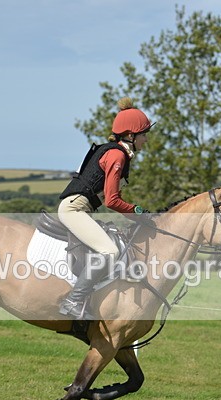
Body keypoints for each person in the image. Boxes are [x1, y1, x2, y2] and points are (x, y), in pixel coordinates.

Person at [57, 96, 153, 319]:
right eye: (144, 135)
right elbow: (112, 200)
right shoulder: (116, 155)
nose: (146, 140)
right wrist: (138, 212)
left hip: (83, 208)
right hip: (74, 209)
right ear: (131, 135)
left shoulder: (117, 153)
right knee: (110, 251)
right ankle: (73, 301)